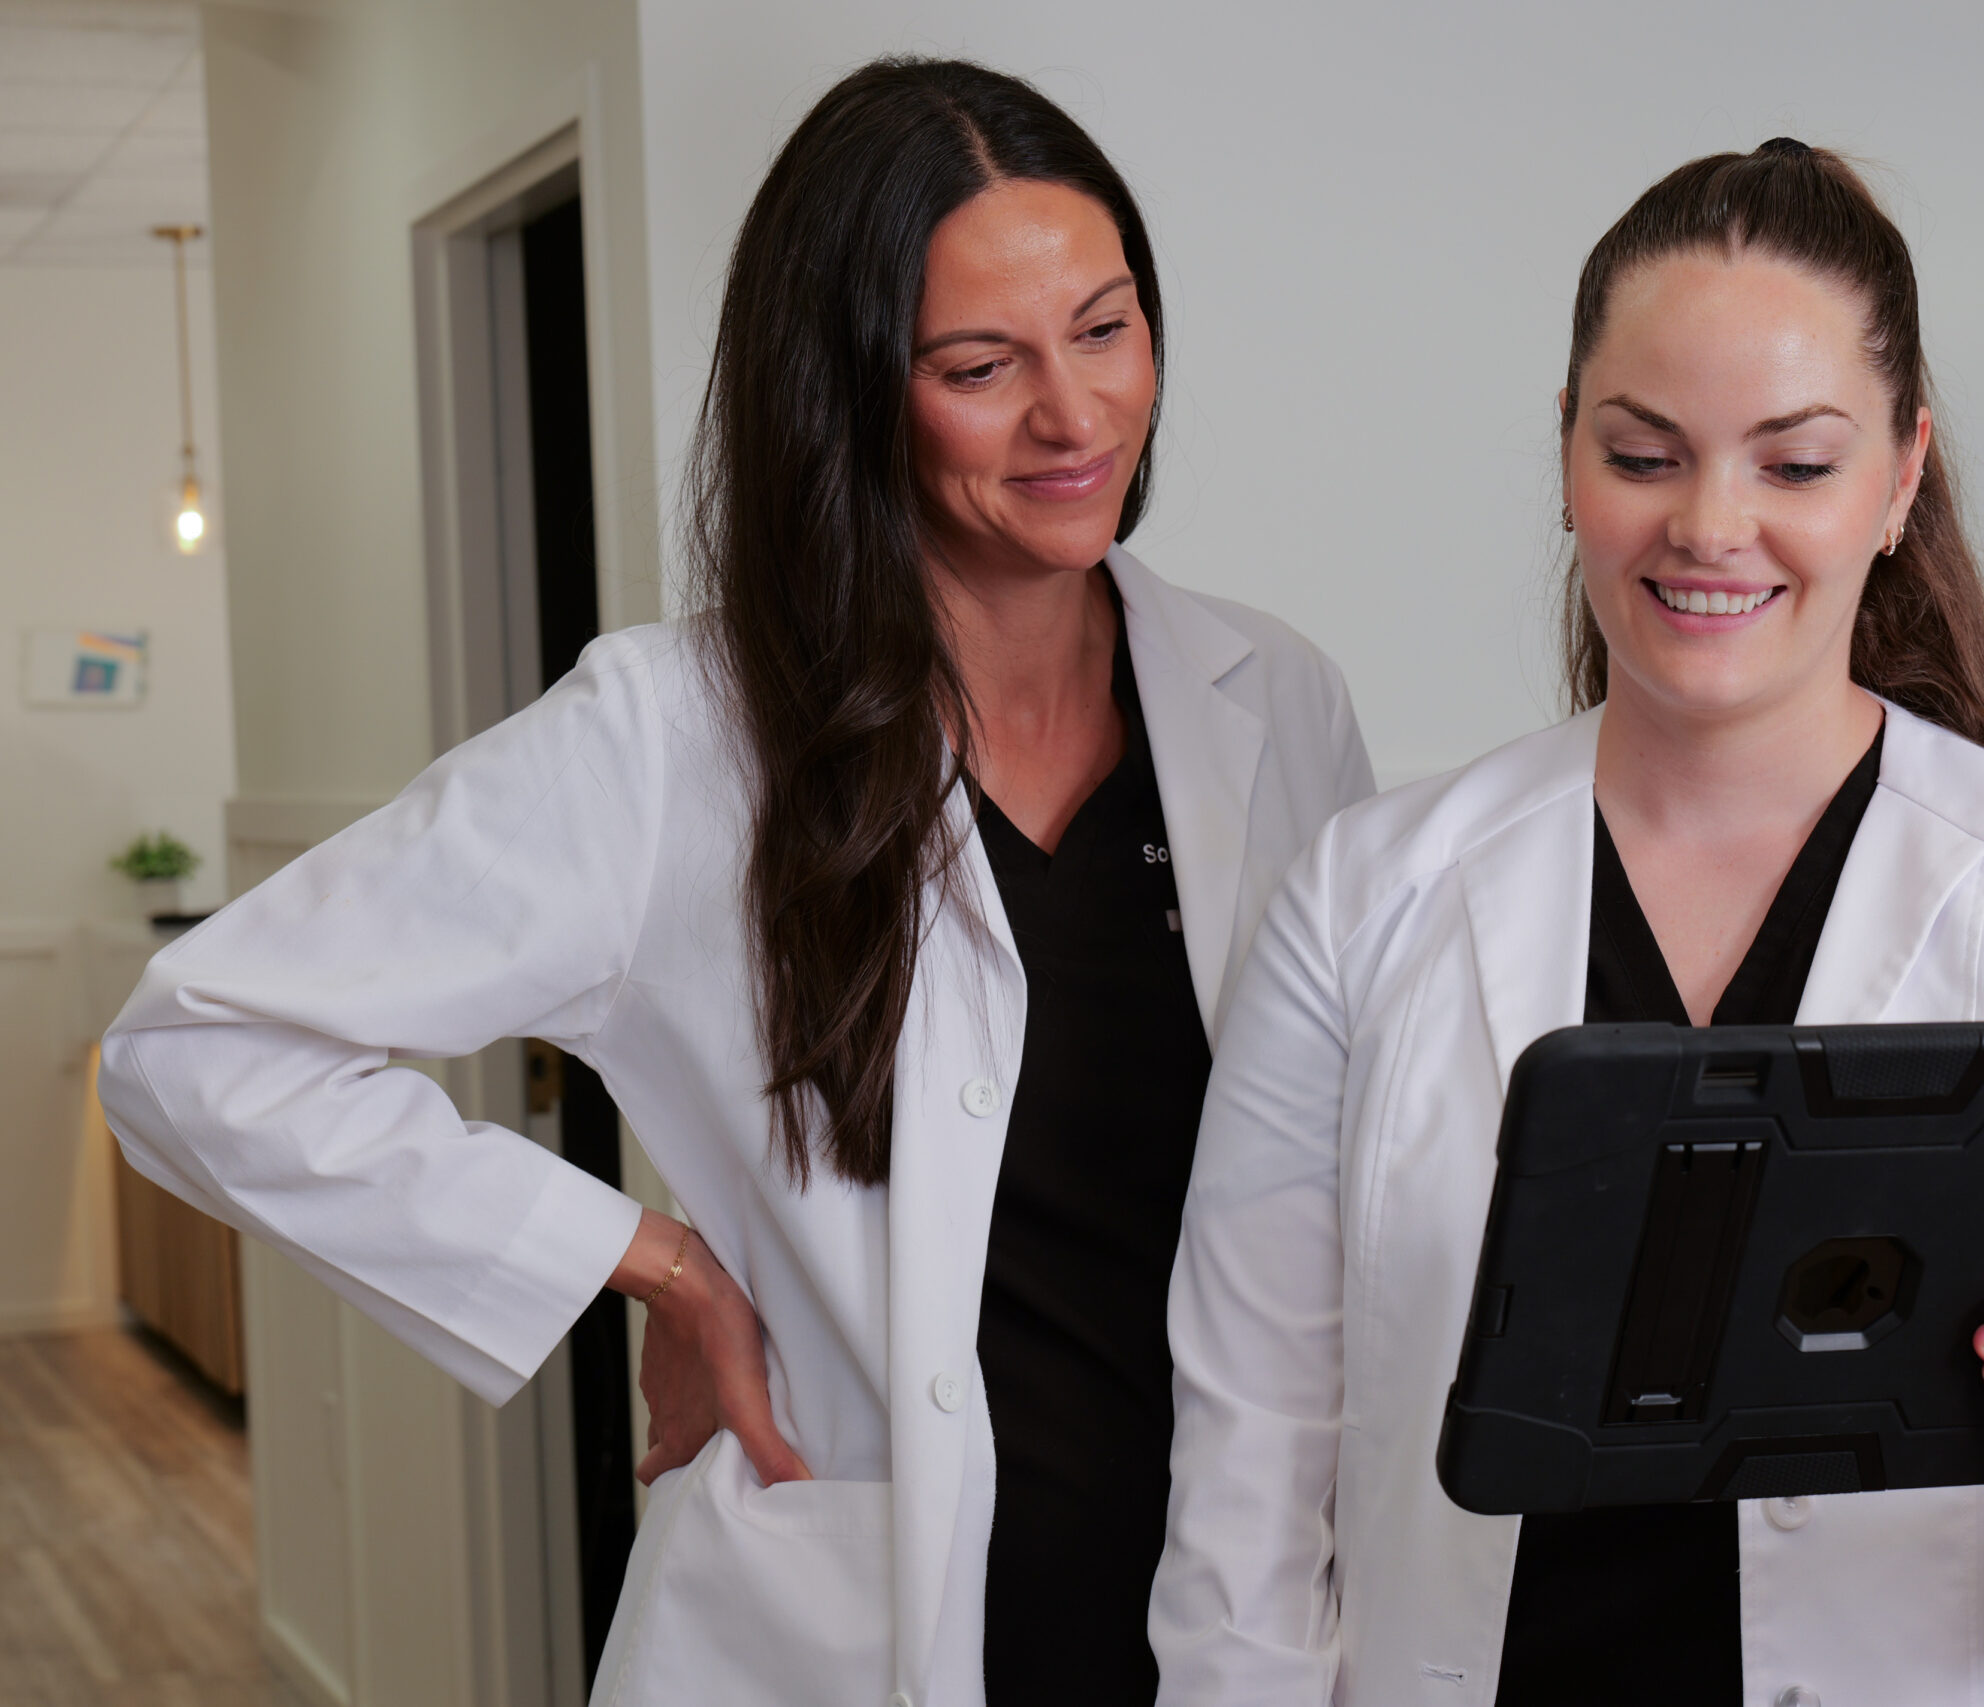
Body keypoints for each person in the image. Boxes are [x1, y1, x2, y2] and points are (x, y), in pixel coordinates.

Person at [99, 58, 1369, 1707]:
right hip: (858, 1638)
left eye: (1108, 328)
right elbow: (192, 1045)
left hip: (1227, 1620)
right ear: (848, 393)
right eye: (981, 366)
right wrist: (645, 1258)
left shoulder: (1270, 700)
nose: (1076, 416)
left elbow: (1331, 1181)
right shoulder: (673, 742)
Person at [1148, 140, 1984, 1706]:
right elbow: (1247, 1484)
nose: (1711, 527)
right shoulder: (1369, 897)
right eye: (1643, 455)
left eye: (1795, 464)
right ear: (1565, 449)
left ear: (1904, 475)